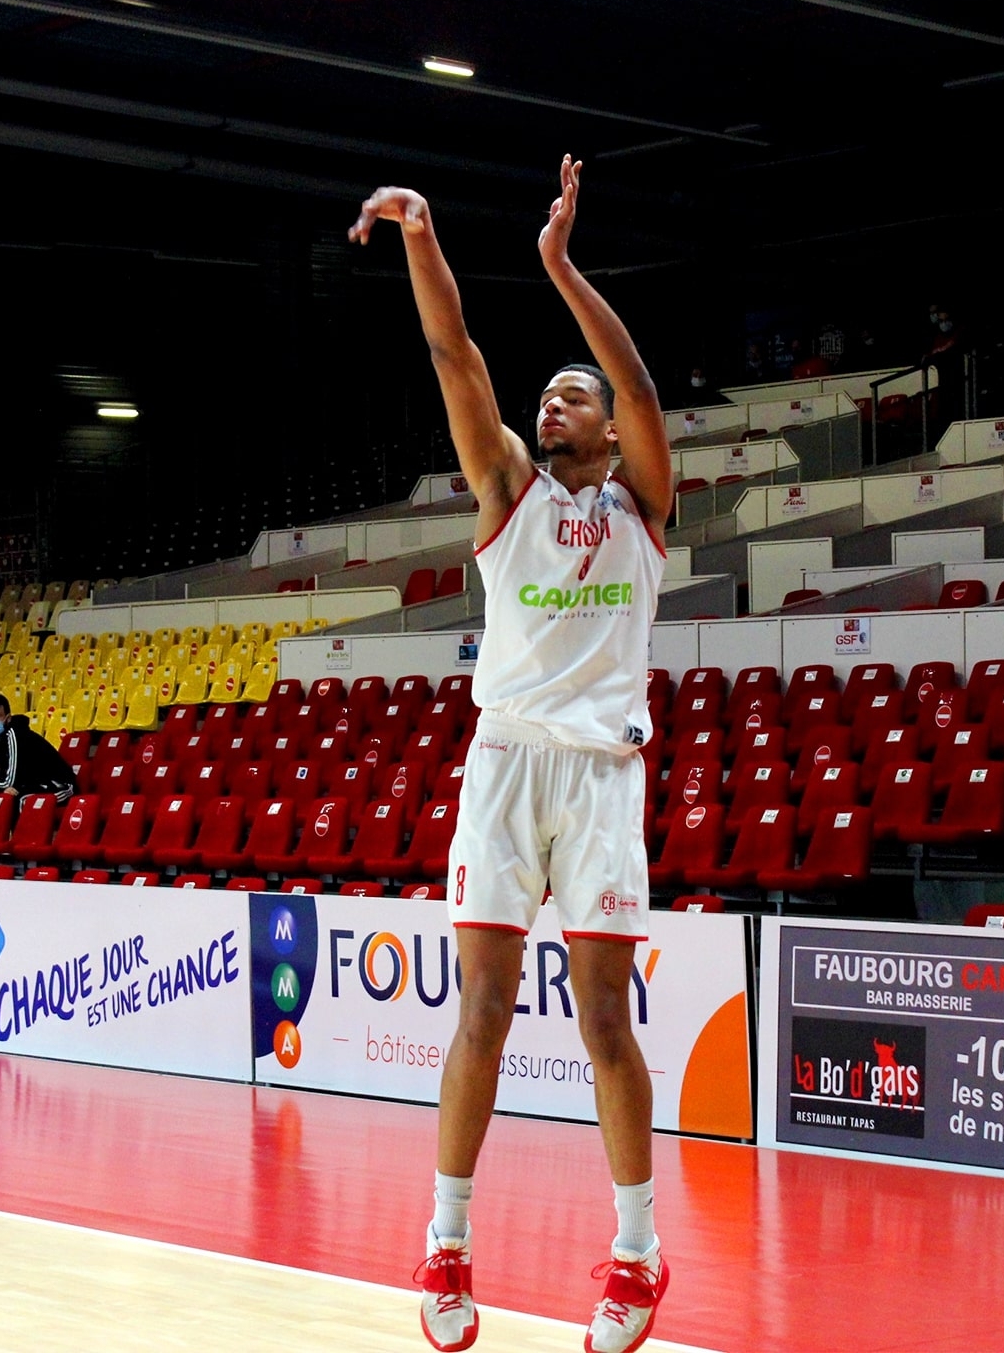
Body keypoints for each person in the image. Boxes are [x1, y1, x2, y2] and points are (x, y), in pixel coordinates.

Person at [350, 155, 673, 1353]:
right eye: (547, 395)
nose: (555, 403)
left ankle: (637, 1252)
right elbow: (456, 358)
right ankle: (446, 1238)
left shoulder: (643, 504)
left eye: (571, 396)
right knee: (480, 1009)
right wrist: (426, 240)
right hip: (503, 764)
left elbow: (637, 377)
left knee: (601, 1022)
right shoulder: (504, 486)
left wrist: (558, 266)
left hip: (598, 773)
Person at [0, 691, 77, 797]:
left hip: (59, 784)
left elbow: (8, 782)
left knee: (20, 799)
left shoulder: (15, 734)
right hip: (30, 784)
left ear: (8, 718)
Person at [918, 303, 965, 443]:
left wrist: (936, 354)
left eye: (945, 320)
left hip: (955, 380)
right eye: (941, 320)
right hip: (939, 383)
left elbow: (951, 349)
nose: (943, 323)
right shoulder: (935, 335)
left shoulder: (959, 331)